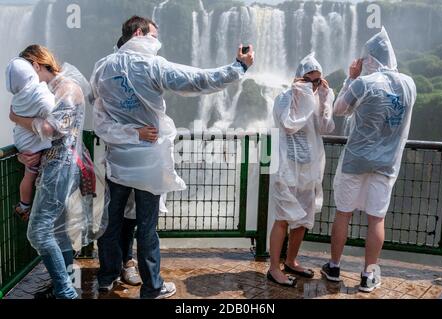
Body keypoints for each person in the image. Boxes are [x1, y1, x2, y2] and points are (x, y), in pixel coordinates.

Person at [91, 16, 254, 299]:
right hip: (148, 164)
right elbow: (198, 80)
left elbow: (100, 117)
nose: (157, 40)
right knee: (147, 227)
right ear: (139, 33)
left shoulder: (102, 68)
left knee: (112, 220)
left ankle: (106, 276)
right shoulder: (152, 65)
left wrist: (129, 131)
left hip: (117, 161)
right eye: (154, 35)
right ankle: (152, 287)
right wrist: (238, 66)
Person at [321, 27, 417, 293]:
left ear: (369, 59)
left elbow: (340, 110)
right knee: (376, 219)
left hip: (355, 161)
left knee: (343, 214)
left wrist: (350, 78)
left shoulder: (364, 82)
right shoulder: (410, 84)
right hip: (386, 165)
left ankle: (335, 267)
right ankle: (368, 275)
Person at [9, 45, 100, 299]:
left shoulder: (66, 89)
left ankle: (65, 291)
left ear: (37, 64)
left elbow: (50, 129)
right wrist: (26, 153)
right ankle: (63, 285)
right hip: (55, 164)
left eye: (28, 71)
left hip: (60, 166)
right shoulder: (50, 90)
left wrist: (16, 118)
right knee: (58, 230)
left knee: (37, 232)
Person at [267, 53, 335, 287]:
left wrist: (325, 100)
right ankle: (274, 268)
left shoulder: (318, 98)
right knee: (283, 219)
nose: (313, 86)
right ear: (298, 80)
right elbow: (288, 124)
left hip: (310, 169)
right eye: (308, 81)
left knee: (304, 219)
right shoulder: (284, 98)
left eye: (317, 82)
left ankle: (291, 261)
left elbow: (327, 128)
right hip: (287, 168)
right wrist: (304, 97)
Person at [5, 57, 55, 221]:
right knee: (30, 174)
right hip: (33, 145)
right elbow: (53, 116)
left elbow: (13, 114)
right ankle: (25, 206)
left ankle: (24, 205)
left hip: (23, 140)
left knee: (29, 175)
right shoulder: (37, 92)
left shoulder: (18, 97)